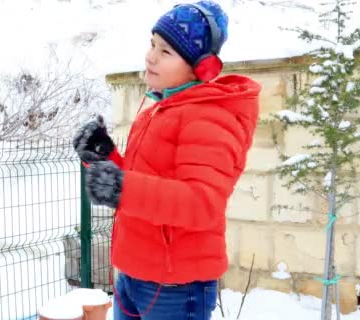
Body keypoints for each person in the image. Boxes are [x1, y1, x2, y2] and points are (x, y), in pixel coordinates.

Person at [73, 1, 260, 319]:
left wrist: (121, 188)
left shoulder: (211, 117)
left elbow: (201, 204)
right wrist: (104, 158)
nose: (150, 57)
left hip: (176, 288)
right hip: (133, 274)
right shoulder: (161, 109)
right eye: (152, 44)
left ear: (203, 68)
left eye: (166, 52)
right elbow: (144, 185)